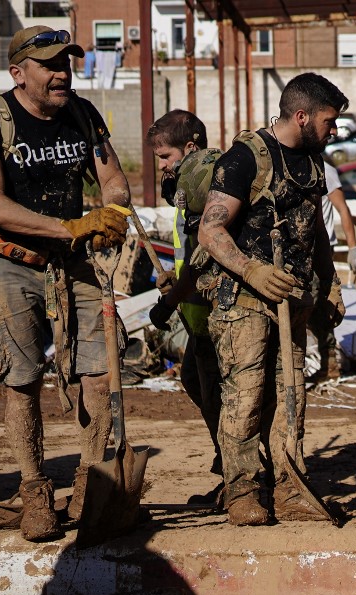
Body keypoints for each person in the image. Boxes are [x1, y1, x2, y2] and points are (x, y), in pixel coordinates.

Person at [0, 26, 133, 541]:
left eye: (67, 64)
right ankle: (35, 489)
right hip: (9, 263)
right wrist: (70, 226)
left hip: (73, 261)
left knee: (100, 372)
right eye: (50, 66)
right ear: (19, 73)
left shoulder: (82, 113)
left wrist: (114, 210)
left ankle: (90, 481)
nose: (62, 74)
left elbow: (113, 178)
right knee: (22, 379)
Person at [198, 72, 347, 526]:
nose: (334, 131)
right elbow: (210, 229)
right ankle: (242, 488)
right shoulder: (245, 157)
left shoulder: (314, 161)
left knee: (292, 395)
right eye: (328, 121)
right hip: (243, 300)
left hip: (294, 300)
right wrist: (252, 270)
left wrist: (330, 280)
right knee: (246, 394)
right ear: (301, 116)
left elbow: (315, 228)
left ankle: (289, 484)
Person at [145, 109, 225, 505]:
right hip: (196, 315)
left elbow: (202, 259)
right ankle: (232, 466)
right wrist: (173, 284)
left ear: (190, 148)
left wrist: (168, 302)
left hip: (214, 316)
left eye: (165, 158)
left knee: (218, 395)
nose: (161, 167)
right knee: (196, 381)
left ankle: (240, 474)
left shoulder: (206, 192)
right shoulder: (185, 192)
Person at [310, 158, 356, 380]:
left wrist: (352, 247)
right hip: (298, 248)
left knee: (320, 304)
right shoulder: (292, 166)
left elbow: (343, 209)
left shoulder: (325, 170)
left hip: (321, 249)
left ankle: (329, 363)